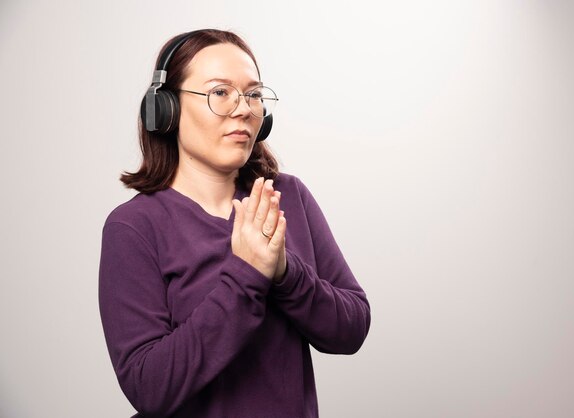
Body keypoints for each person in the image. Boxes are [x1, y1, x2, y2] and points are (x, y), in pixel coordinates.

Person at [98, 29, 371, 418]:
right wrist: (247, 275)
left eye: (254, 94)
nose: (243, 108)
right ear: (166, 109)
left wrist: (285, 273)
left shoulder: (288, 197)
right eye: (220, 92)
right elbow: (149, 387)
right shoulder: (134, 227)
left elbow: (352, 327)